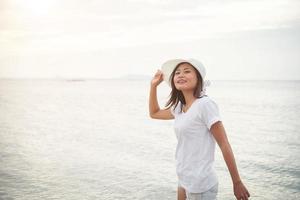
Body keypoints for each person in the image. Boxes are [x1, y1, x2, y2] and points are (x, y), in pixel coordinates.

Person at [148, 58, 250, 200]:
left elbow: (224, 144)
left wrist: (237, 182)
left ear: (198, 79)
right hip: (184, 178)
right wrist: (153, 86)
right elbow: (154, 113)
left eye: (187, 71)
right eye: (177, 73)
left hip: (201, 183)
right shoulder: (179, 108)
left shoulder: (205, 105)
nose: (181, 75)